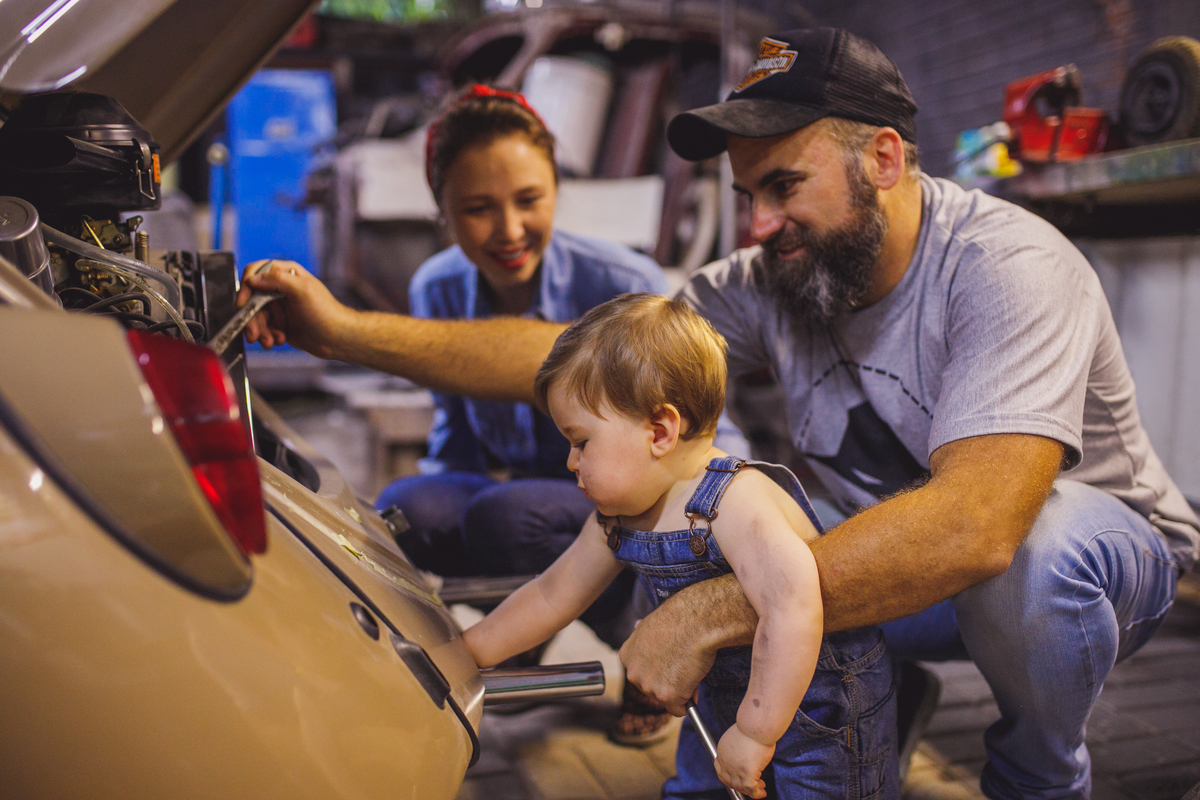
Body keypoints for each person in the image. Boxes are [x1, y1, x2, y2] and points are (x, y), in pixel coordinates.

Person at [240, 28, 1200, 800]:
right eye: (747, 195)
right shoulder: (774, 273)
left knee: (1035, 547)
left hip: (1085, 573)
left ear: (885, 158)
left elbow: (977, 526)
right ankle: (868, 693)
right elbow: (588, 358)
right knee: (702, 507)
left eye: (784, 186)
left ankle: (1039, 778)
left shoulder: (1005, 265)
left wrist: (711, 612)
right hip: (896, 564)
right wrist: (342, 332)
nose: (758, 223)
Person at [463, 293, 896, 799]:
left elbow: (793, 606)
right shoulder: (620, 514)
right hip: (717, 693)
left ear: (660, 430)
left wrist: (757, 730)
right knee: (699, 787)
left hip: (817, 707)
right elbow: (553, 593)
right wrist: (467, 652)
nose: (570, 462)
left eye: (581, 442)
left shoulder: (735, 501)